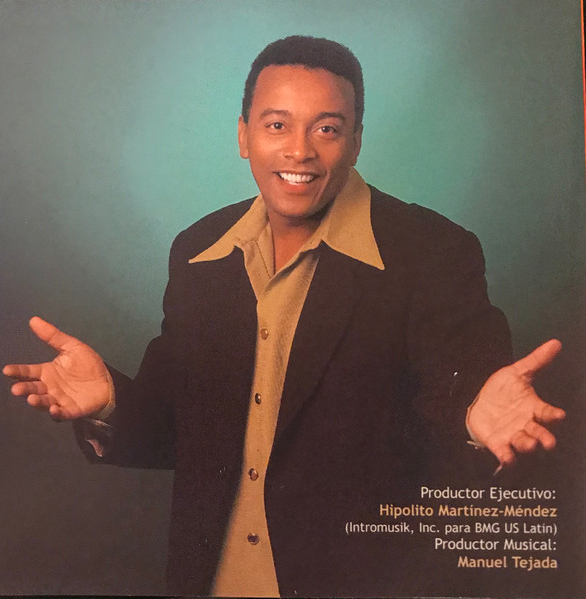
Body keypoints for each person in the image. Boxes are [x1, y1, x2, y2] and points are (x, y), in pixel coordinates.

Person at [2, 36, 566, 597]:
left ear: (355, 142)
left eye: (327, 129)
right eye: (277, 125)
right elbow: (182, 432)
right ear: (243, 136)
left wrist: (473, 420)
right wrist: (110, 402)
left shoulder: (433, 250)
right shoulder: (198, 251)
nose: (300, 151)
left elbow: (458, 394)